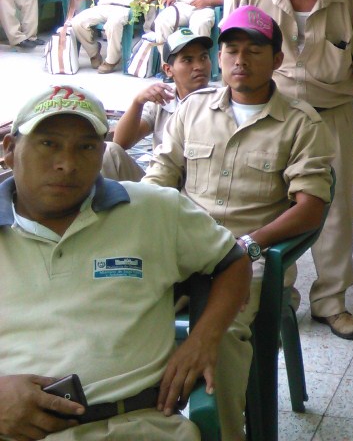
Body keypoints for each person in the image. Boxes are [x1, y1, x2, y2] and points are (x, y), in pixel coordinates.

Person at [0, 84, 251, 440]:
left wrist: (204, 337)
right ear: (9, 150)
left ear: (104, 151)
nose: (66, 164)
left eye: (86, 147)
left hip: (138, 426)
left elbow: (232, 260)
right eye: (48, 143)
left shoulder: (155, 209)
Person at [144, 5, 333, 439]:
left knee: (223, 339)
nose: (240, 61)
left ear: (277, 60)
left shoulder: (300, 124)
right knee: (123, 308)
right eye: (231, 50)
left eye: (254, 50)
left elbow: (310, 206)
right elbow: (160, 178)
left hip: (251, 260)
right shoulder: (192, 110)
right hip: (181, 251)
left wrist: (250, 243)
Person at [230, 0, 353, 341]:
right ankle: (279, 299)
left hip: (331, 112)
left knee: (333, 210)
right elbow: (229, 50)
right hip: (268, 111)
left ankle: (331, 302)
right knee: (270, 204)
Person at [113, 28, 214, 152]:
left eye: (204, 58)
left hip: (204, 171)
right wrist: (138, 102)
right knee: (110, 154)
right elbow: (120, 143)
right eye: (188, 60)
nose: (199, 66)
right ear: (168, 70)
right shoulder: (163, 99)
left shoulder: (222, 100)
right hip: (163, 170)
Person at [70, 0, 161, 73]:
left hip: (125, 8)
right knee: (77, 22)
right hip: (103, 6)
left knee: (113, 23)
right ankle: (94, 53)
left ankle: (111, 60)